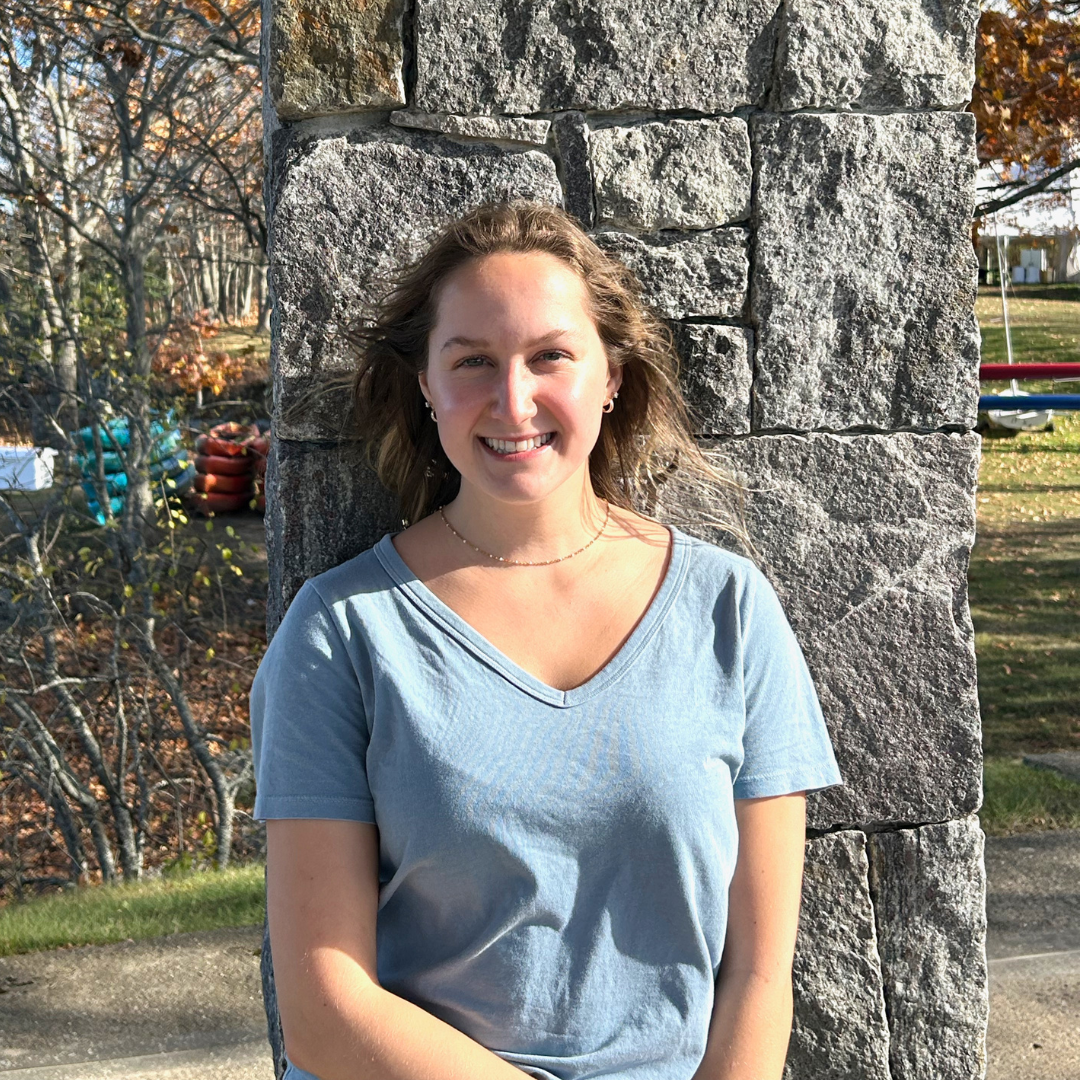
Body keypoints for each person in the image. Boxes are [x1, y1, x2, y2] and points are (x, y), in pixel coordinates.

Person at [251, 200, 843, 1080]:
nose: (514, 399)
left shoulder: (729, 608)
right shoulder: (342, 630)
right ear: (426, 383)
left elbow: (758, 973)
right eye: (473, 362)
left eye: (551, 356)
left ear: (610, 375)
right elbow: (325, 1007)